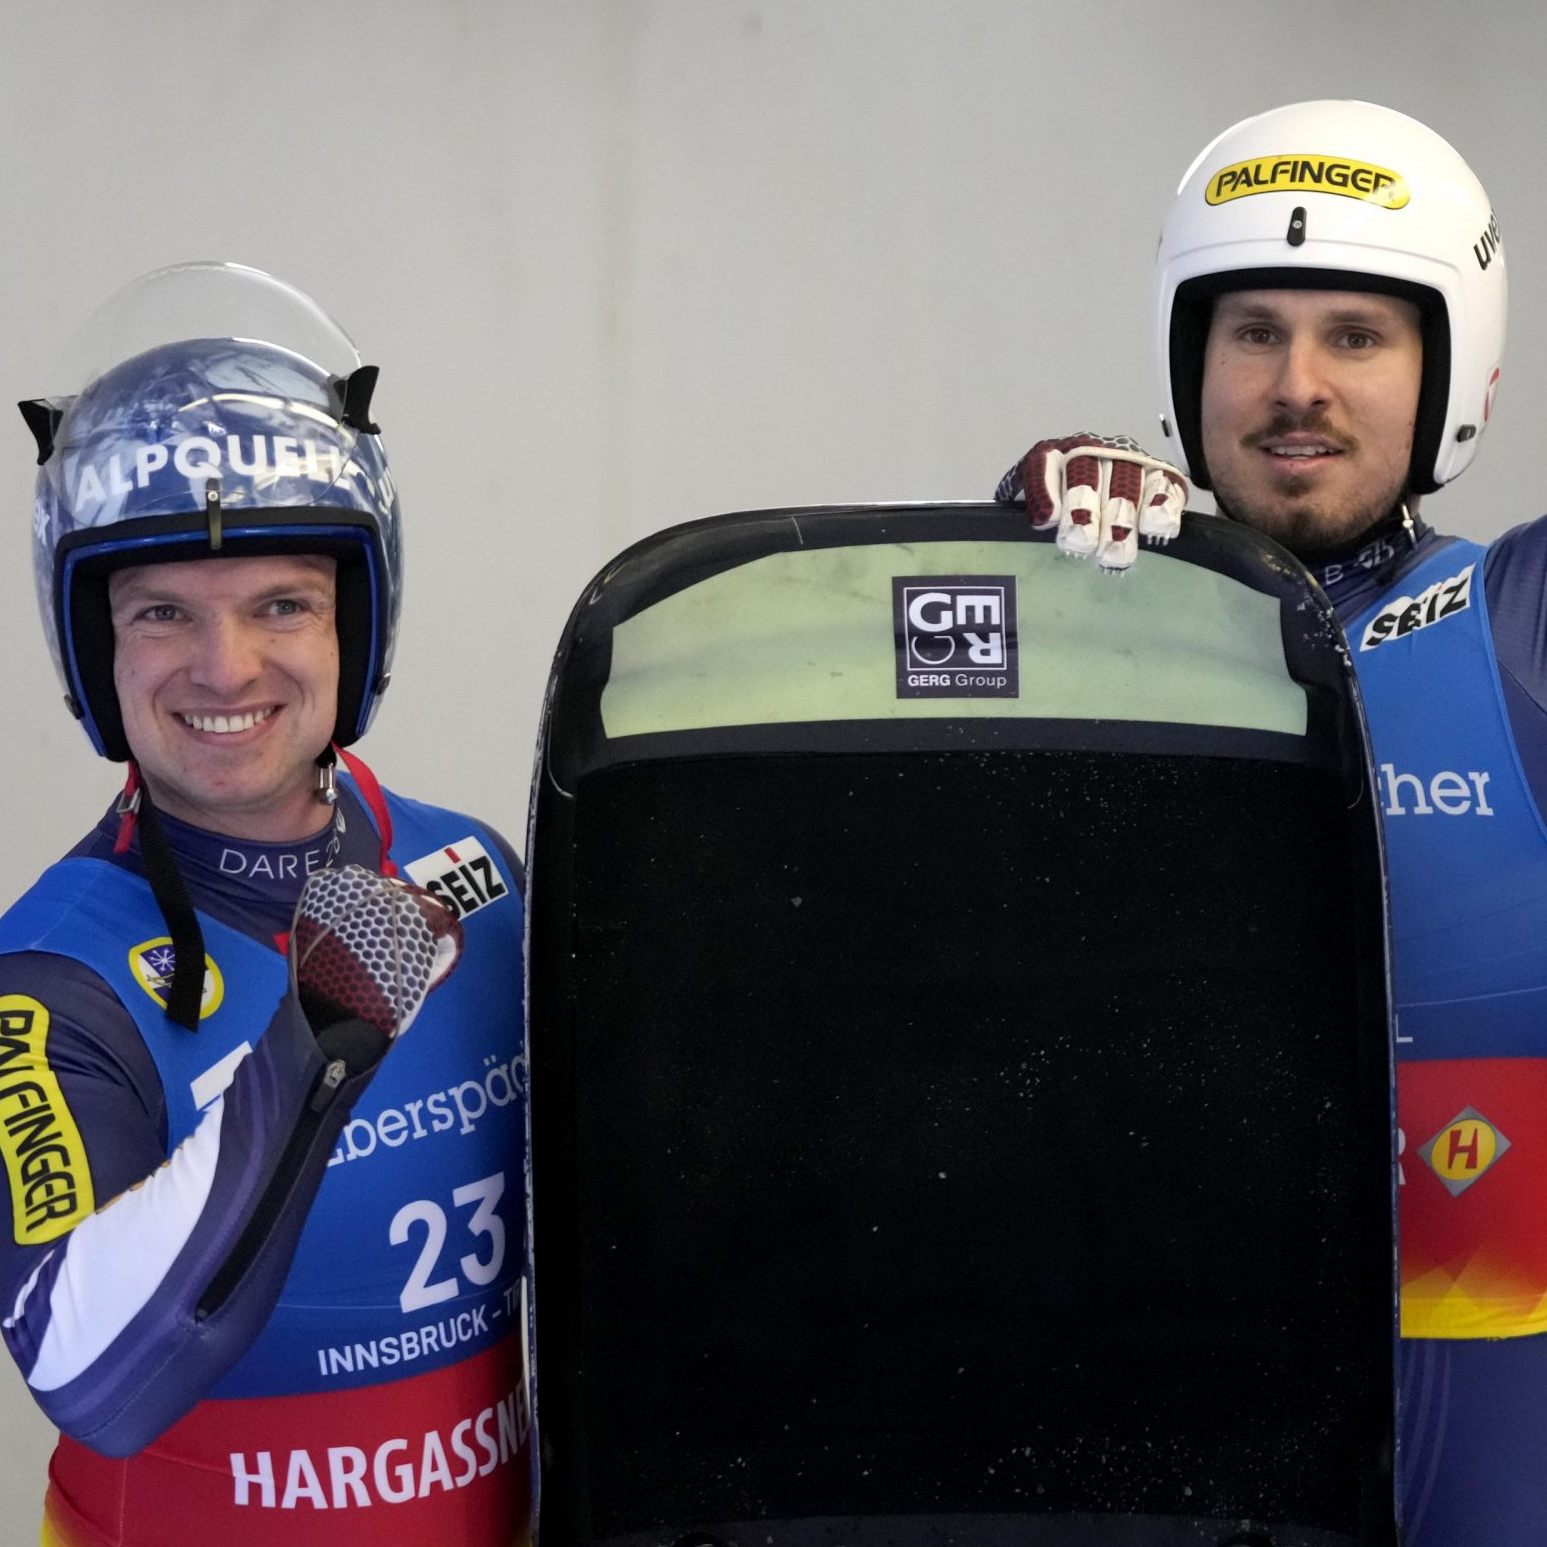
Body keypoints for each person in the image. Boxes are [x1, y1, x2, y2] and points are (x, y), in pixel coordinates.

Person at [994, 99, 1543, 1546]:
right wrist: (1013, 580)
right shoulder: (1090, 624)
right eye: (1251, 332)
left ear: (1449, 372)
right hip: (1159, 1449)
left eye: (1355, 335)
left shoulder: (1518, 627)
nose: (1295, 386)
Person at [0, 263, 532, 1546]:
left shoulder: (478, 869)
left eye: (281, 604)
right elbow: (89, 1369)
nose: (223, 666)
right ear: (97, 647)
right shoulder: (50, 976)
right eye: (161, 612)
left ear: (356, 623)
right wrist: (316, 1043)